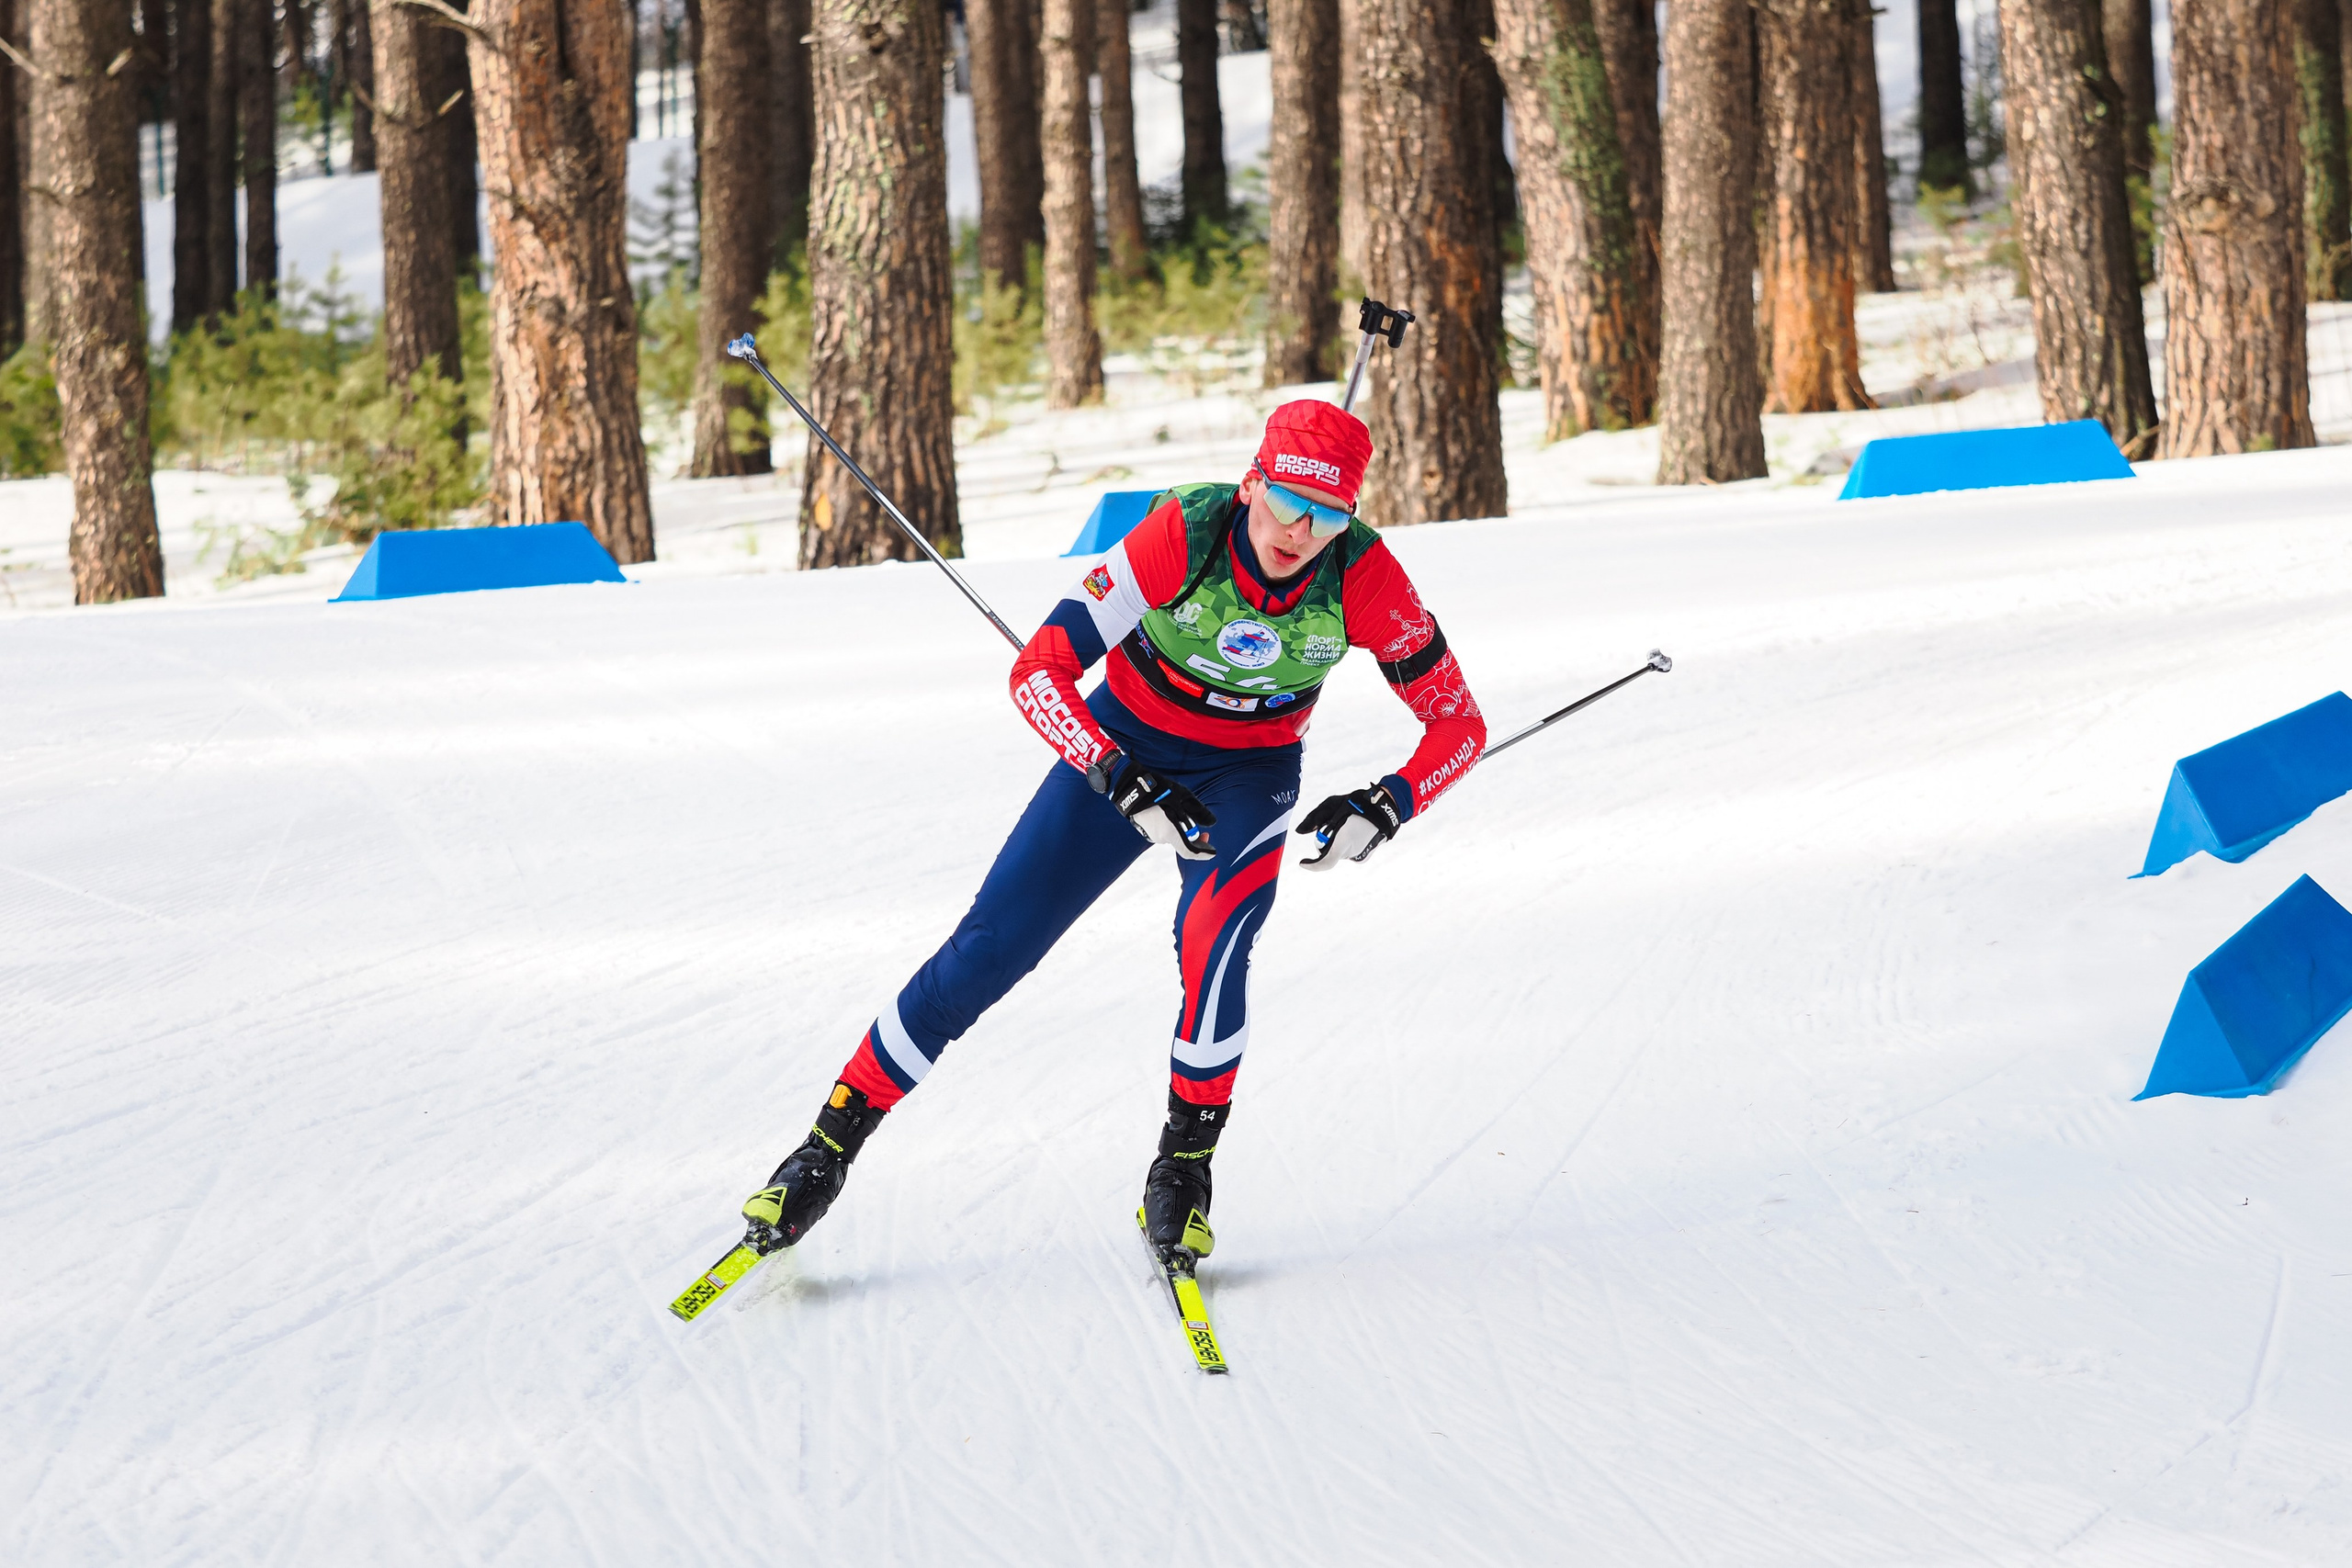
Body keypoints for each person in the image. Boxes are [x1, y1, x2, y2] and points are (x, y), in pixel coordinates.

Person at [739, 400, 1486, 1265]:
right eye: (1287, 501)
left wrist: (1388, 804)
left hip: (1250, 774)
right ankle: (825, 1149)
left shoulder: (1363, 575)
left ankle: (1183, 1170)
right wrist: (1114, 771)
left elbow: (1459, 725)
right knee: (990, 947)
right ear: (1252, 484)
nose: (1299, 531)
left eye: (1327, 515)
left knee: (1216, 947)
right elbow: (1039, 670)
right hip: (1126, 742)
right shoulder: (1185, 532)